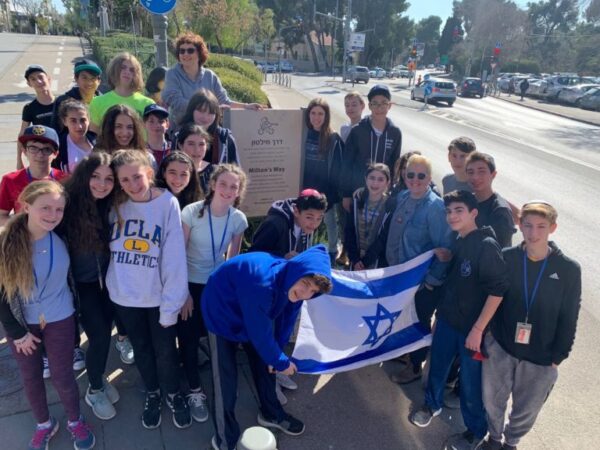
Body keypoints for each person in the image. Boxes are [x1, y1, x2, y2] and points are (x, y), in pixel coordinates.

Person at [202, 244, 333, 450]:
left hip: (254, 311)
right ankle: (225, 439)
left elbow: (286, 321)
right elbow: (259, 332)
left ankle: (271, 413)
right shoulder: (261, 282)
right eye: (305, 283)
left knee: (267, 364)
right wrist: (281, 362)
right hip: (222, 311)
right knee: (225, 380)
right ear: (296, 271)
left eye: (313, 291)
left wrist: (277, 356)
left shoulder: (295, 287)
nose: (306, 293)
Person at [0, 180, 96, 450]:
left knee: (62, 375)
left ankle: (75, 421)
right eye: (45, 208)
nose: (52, 215)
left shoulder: (61, 236)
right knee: (30, 377)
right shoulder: (6, 242)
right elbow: (1, 294)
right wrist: (17, 334)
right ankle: (44, 424)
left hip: (60, 317)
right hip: (22, 324)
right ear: (26, 205)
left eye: (58, 209)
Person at [410, 190, 509, 450]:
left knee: (470, 384)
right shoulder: (459, 239)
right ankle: (432, 405)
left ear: (473, 213)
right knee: (437, 368)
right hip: (447, 321)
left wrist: (478, 330)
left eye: (459, 211)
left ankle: (475, 431)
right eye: (449, 211)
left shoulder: (486, 245)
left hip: (471, 331)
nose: (452, 216)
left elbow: (498, 290)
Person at [479, 201, 581, 450]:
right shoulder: (508, 257)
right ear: (520, 226)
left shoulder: (568, 269)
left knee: (526, 408)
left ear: (552, 228)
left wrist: (559, 355)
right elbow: (493, 297)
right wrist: (490, 335)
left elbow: (569, 316)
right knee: (493, 400)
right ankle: (493, 438)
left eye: (540, 226)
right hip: (502, 346)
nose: (533, 233)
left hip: (541, 355)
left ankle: (511, 442)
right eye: (527, 225)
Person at [107, 150, 191, 430]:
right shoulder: (115, 205)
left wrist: (171, 304)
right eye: (125, 180)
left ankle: (172, 392)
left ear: (150, 174)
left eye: (137, 177)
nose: (132, 184)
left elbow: (174, 258)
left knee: (165, 351)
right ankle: (152, 392)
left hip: (157, 298)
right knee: (141, 349)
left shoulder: (167, 203)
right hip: (124, 296)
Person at [179, 164, 248, 423]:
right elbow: (177, 254)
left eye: (234, 186)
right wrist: (183, 293)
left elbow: (233, 258)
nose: (228, 190)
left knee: (217, 334)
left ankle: (223, 380)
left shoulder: (237, 219)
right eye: (223, 184)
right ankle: (194, 391)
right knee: (186, 335)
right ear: (213, 184)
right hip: (188, 281)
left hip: (215, 283)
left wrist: (230, 293)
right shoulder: (192, 212)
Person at [59, 152, 120, 420]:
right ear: (84, 176)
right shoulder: (67, 205)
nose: (102, 184)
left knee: (105, 333)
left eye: (108, 179)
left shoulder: (111, 204)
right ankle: (94, 388)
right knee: (99, 336)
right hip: (82, 284)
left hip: (109, 281)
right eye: (95, 177)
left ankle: (97, 375)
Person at [385, 155, 453, 384]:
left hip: (423, 281)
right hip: (401, 275)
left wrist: (431, 281)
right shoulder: (404, 197)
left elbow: (445, 248)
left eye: (421, 175)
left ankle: (415, 366)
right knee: (404, 317)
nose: (415, 180)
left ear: (429, 178)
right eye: (410, 175)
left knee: (419, 321)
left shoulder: (436, 207)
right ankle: (404, 353)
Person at [162, 32, 262, 125]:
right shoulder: (172, 75)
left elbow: (224, 101)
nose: (185, 54)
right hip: (183, 131)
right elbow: (177, 102)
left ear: (199, 54)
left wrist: (246, 106)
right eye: (182, 51)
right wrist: (209, 109)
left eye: (190, 50)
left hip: (208, 131)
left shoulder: (210, 76)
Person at [342, 84, 402, 212]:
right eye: (375, 103)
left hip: (382, 195)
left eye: (383, 103)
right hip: (357, 191)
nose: (379, 107)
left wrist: (390, 190)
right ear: (369, 106)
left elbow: (394, 165)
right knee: (355, 229)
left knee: (377, 230)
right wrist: (346, 194)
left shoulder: (395, 133)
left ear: (390, 105)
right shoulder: (358, 131)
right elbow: (347, 164)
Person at [303, 98, 344, 264]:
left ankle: (333, 250)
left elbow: (338, 168)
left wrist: (333, 193)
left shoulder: (333, 138)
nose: (316, 117)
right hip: (306, 187)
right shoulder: (303, 133)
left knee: (329, 222)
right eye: (313, 113)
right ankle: (306, 248)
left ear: (326, 116)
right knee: (307, 220)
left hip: (325, 189)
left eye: (320, 113)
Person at [1, 125, 66, 226]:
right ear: (25, 151)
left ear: (55, 153)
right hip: (25, 238)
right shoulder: (11, 180)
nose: (40, 155)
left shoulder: (66, 179)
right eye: (33, 148)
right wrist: (26, 224)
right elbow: (1, 216)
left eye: (46, 149)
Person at [250, 189, 328, 259]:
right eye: (309, 217)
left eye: (319, 218)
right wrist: (282, 256)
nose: (314, 224)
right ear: (296, 211)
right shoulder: (275, 224)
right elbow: (253, 254)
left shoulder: (307, 226)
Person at [344, 163, 394, 270]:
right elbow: (349, 231)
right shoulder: (356, 201)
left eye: (381, 179)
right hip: (355, 259)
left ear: (387, 182)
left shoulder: (390, 206)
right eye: (372, 178)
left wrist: (365, 261)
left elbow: (383, 239)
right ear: (366, 179)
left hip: (376, 261)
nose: (375, 183)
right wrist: (355, 259)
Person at [88, 53, 154, 133]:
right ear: (115, 69)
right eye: (123, 68)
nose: (127, 72)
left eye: (131, 70)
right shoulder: (97, 102)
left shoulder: (148, 104)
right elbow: (93, 137)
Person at [465, 152, 515, 248]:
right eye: (470, 172)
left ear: (493, 174)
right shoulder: (465, 202)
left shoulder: (500, 211)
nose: (475, 177)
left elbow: (500, 253)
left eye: (481, 171)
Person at [178, 88, 239, 165]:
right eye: (201, 111)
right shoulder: (179, 137)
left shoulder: (225, 139)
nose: (205, 117)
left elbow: (236, 172)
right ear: (191, 110)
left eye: (211, 113)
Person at [18, 65, 55, 169]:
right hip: (43, 154)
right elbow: (22, 135)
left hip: (65, 152)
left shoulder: (63, 102)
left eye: (40, 77)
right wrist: (19, 160)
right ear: (29, 84)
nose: (38, 81)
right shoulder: (30, 108)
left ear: (48, 79)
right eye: (33, 79)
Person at [50, 59, 102, 132]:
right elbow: (56, 131)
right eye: (84, 78)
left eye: (93, 78)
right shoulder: (63, 101)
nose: (89, 82)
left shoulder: (104, 101)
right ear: (76, 79)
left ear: (99, 81)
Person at [55, 99, 96, 173]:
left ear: (89, 120)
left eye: (83, 120)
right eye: (73, 121)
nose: (79, 126)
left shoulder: (98, 142)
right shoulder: (58, 146)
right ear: (65, 121)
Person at [175, 123, 214, 193]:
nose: (197, 150)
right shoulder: (172, 171)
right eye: (191, 144)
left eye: (201, 144)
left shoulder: (215, 172)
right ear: (180, 145)